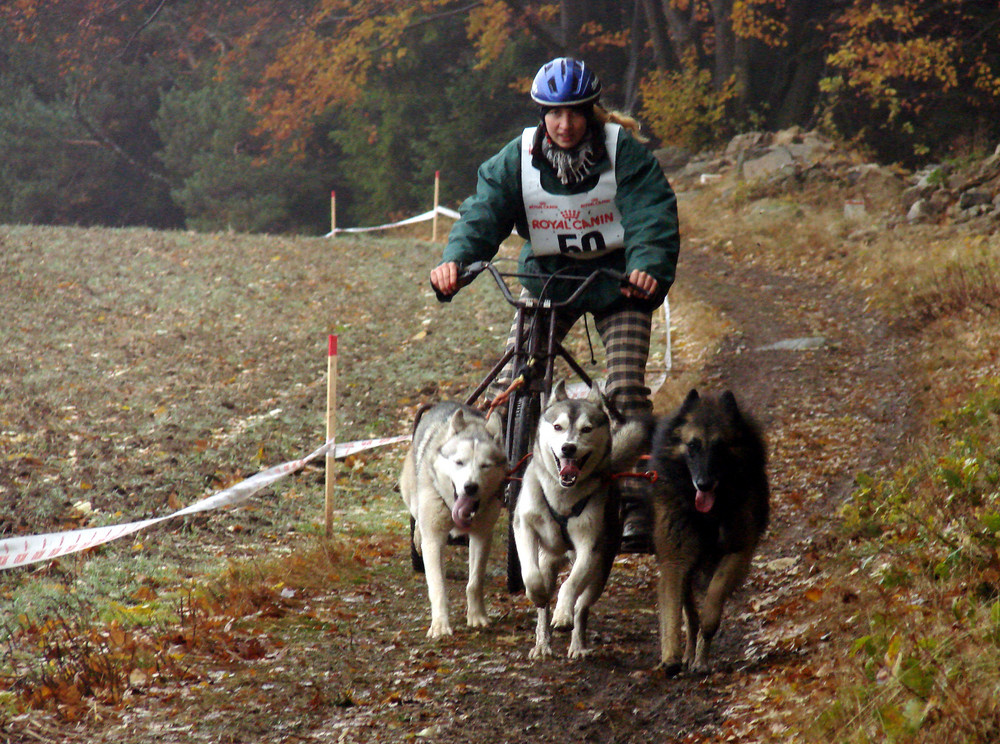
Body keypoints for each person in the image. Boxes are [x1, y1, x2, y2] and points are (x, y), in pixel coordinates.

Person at [430, 57, 680, 553]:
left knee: (626, 388)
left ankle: (631, 504)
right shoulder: (517, 156)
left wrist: (648, 264)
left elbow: (651, 211)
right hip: (548, 279)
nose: (564, 125)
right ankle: (480, 496)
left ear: (590, 112)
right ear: (541, 114)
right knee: (515, 380)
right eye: (554, 114)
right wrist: (456, 261)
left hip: (618, 285)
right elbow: (483, 212)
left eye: (574, 113)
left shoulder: (621, 152)